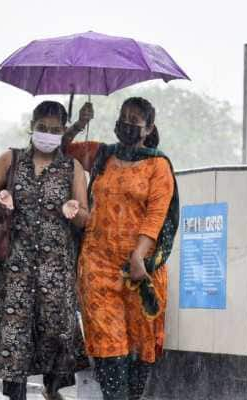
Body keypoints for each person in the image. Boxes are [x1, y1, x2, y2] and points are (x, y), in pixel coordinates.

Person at [65, 98, 179, 400]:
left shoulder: (158, 164)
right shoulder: (102, 154)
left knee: (140, 350)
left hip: (140, 271)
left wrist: (139, 255)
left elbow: (157, 215)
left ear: (149, 128)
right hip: (97, 266)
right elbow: (60, 150)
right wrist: (78, 124)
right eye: (123, 117)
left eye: (135, 120)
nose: (126, 124)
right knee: (107, 347)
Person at [0, 101, 90, 400]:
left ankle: (51, 390)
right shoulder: (10, 159)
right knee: (14, 336)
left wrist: (74, 210)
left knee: (57, 334)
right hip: (14, 268)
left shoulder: (72, 168)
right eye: (43, 128)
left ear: (63, 132)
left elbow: (85, 218)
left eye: (56, 130)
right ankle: (15, 395)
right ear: (32, 126)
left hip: (57, 271)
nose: (48, 134)